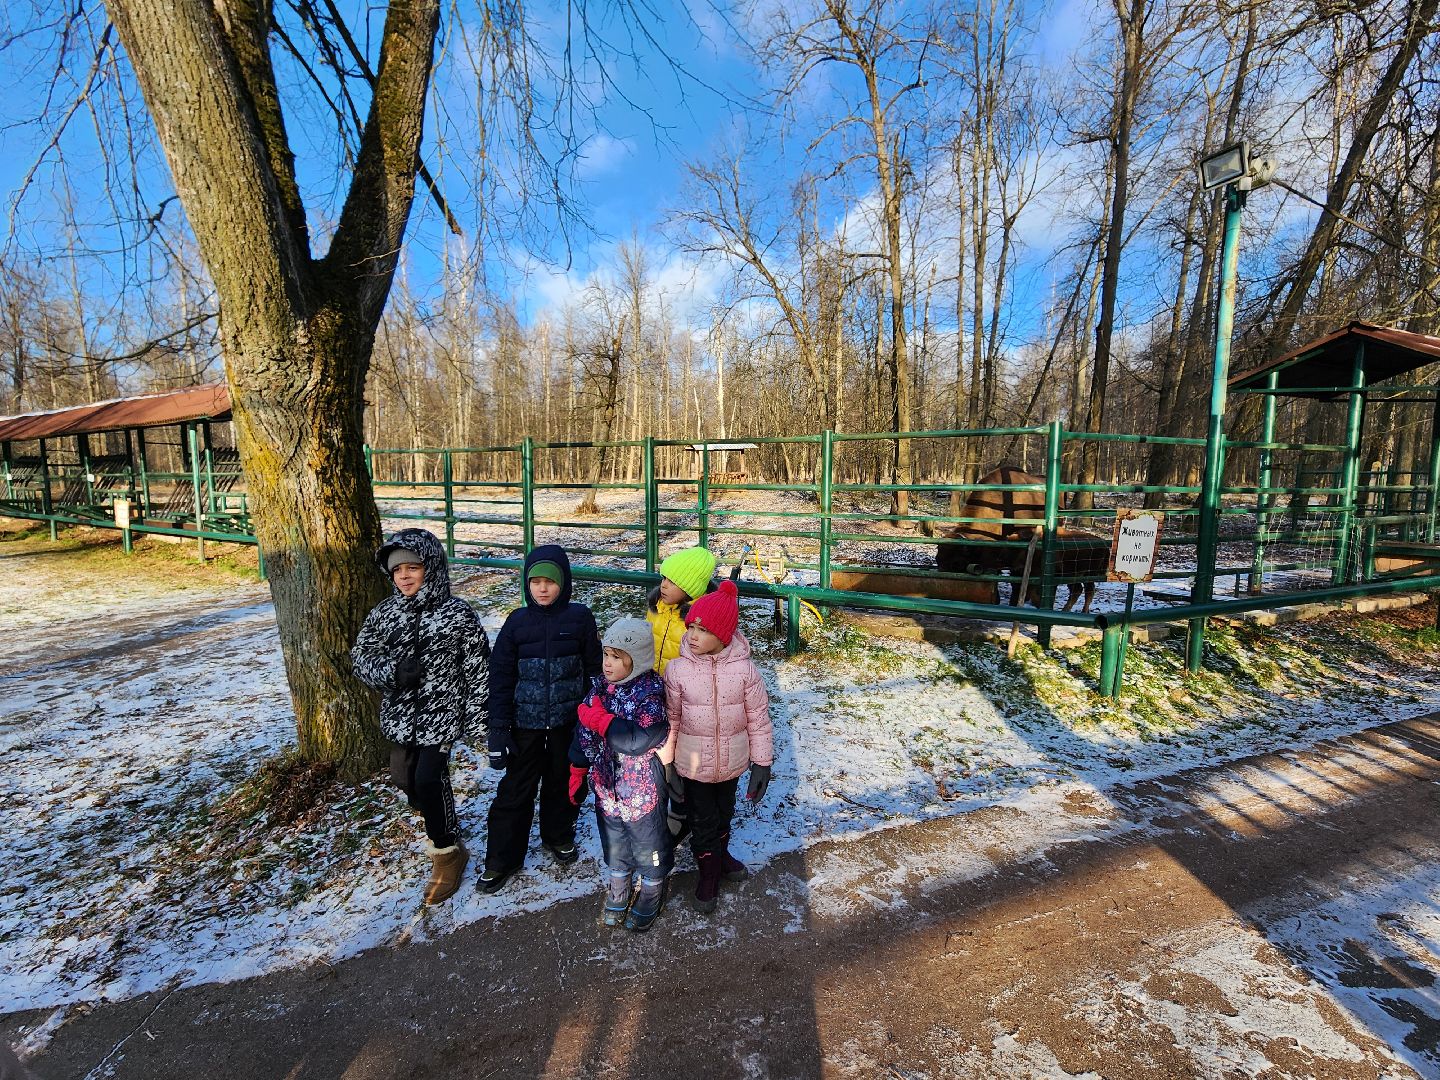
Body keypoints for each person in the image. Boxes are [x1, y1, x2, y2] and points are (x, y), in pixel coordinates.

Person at [351, 527, 491, 906]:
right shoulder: (384, 613)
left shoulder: (457, 614)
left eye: (413, 567)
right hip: (399, 716)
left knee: (430, 779)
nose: (405, 576)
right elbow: (361, 658)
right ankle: (434, 812)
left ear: (431, 567)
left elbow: (478, 670)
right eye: (398, 571)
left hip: (441, 716)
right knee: (404, 778)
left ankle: (447, 851)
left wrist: (481, 725)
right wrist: (393, 672)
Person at [480, 545, 602, 894]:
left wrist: (591, 719)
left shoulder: (579, 619)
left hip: (567, 723)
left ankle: (558, 835)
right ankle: (502, 858)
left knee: (562, 783)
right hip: (525, 727)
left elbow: (594, 671)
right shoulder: (517, 623)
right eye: (535, 581)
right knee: (515, 791)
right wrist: (499, 730)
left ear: (564, 583)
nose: (543, 588)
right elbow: (501, 678)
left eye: (550, 581)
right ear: (526, 584)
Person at [662, 579, 773, 913]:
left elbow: (758, 718)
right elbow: (672, 719)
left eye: (703, 629)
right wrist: (667, 763)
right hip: (692, 765)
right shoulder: (678, 670)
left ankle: (721, 857)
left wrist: (762, 762)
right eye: (691, 627)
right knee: (703, 823)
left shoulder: (745, 671)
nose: (693, 636)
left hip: (733, 763)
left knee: (725, 814)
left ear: (723, 635)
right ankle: (708, 874)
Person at [567, 618, 670, 931]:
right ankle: (619, 883)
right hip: (606, 786)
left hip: (641, 791)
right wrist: (577, 765)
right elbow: (583, 731)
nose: (607, 663)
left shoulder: (649, 695)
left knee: (647, 842)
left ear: (635, 661)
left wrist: (603, 722)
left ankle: (652, 887)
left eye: (616, 657)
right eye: (605, 655)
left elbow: (639, 741)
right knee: (614, 841)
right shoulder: (600, 687)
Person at [646, 545, 716, 676]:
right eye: (664, 578)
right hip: (653, 684)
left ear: (691, 588)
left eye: (672, 582)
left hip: (683, 688)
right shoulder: (656, 607)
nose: (664, 585)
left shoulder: (700, 621)